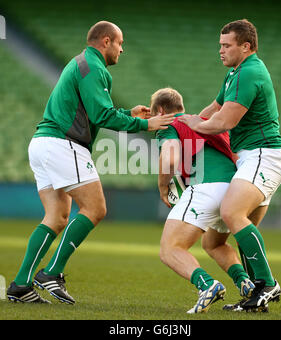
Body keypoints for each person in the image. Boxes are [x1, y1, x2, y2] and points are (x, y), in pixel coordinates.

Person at [6, 21, 174, 304]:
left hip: (43, 143)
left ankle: (20, 285)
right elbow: (102, 117)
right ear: (106, 41)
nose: (123, 48)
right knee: (95, 208)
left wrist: (128, 113)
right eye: (120, 43)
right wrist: (146, 125)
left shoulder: (81, 63)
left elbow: (95, 110)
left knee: (57, 217)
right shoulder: (94, 68)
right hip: (63, 143)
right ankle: (52, 273)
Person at [179, 19, 281, 311]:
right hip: (256, 157)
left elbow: (224, 122)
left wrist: (192, 125)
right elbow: (213, 110)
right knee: (216, 240)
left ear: (246, 46)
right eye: (220, 44)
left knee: (231, 212)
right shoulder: (235, 73)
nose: (221, 50)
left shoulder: (249, 72)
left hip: (265, 154)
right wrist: (184, 126)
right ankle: (257, 295)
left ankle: (267, 284)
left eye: (226, 45)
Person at [152, 87, 255, 313]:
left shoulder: (168, 125)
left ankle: (207, 285)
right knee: (214, 243)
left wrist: (162, 187)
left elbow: (170, 159)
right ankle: (245, 283)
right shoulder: (203, 122)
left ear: (160, 111)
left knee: (170, 249)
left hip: (207, 186)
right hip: (235, 188)